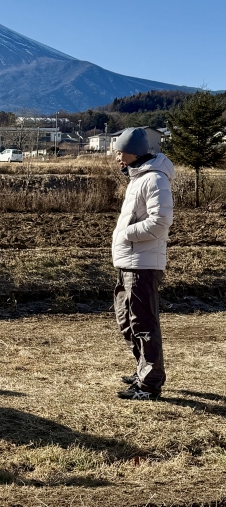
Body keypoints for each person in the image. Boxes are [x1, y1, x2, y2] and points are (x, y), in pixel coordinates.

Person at [112, 127, 175, 401]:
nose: (116, 157)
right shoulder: (138, 178)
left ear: (133, 152)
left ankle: (149, 384)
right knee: (127, 320)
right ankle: (143, 370)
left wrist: (124, 233)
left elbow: (160, 222)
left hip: (142, 264)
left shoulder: (154, 179)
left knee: (144, 323)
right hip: (130, 261)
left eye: (119, 151)